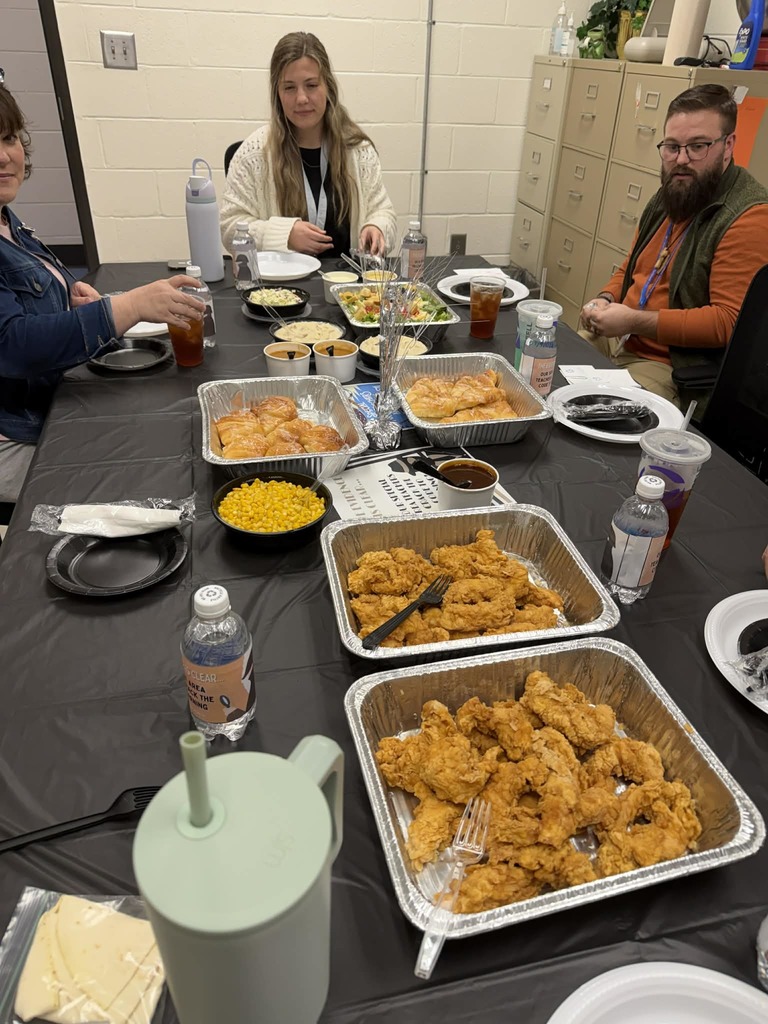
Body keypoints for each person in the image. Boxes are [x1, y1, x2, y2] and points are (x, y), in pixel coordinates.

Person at [0, 82, 205, 503]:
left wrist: (69, 301)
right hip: (18, 431)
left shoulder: (9, 221)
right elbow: (13, 346)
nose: (5, 156)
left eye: (8, 138)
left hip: (47, 401)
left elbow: (26, 308)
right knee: (150, 469)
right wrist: (125, 307)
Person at [579, 84, 768, 412]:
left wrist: (634, 321)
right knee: (542, 366)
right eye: (672, 146)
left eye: (698, 146)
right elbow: (633, 267)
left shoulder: (749, 216)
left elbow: (728, 322)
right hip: (621, 332)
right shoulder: (674, 192)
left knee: (594, 416)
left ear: (728, 146)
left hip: (669, 363)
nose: (681, 160)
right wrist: (605, 299)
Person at [220, 32, 397, 259]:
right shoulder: (254, 153)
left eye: (311, 85)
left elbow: (383, 212)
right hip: (277, 290)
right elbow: (229, 227)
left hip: (348, 289)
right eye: (289, 88)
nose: (301, 98)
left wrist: (377, 227)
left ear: (328, 88)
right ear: (278, 94)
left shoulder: (358, 150)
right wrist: (284, 235)